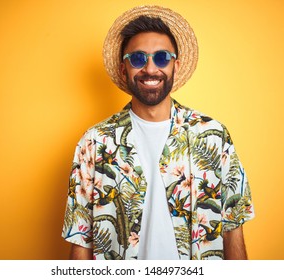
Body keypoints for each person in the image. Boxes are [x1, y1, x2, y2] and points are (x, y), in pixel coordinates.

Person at [62, 5, 254, 260]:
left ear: (176, 66)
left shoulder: (214, 136)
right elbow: (80, 239)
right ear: (123, 69)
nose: (150, 69)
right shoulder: (94, 142)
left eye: (162, 57)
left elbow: (233, 230)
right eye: (138, 58)